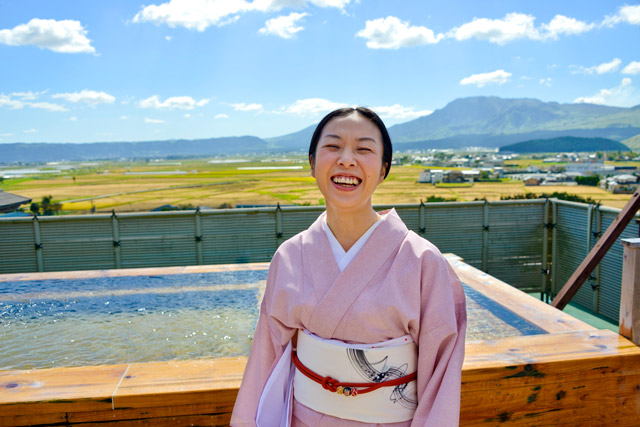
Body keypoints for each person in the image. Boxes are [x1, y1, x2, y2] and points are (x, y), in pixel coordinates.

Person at [231, 107, 466, 426]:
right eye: (333, 146)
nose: (346, 159)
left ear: (383, 169)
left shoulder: (424, 261)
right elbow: (265, 357)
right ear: (312, 163)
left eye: (364, 149)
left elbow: (441, 378)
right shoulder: (290, 256)